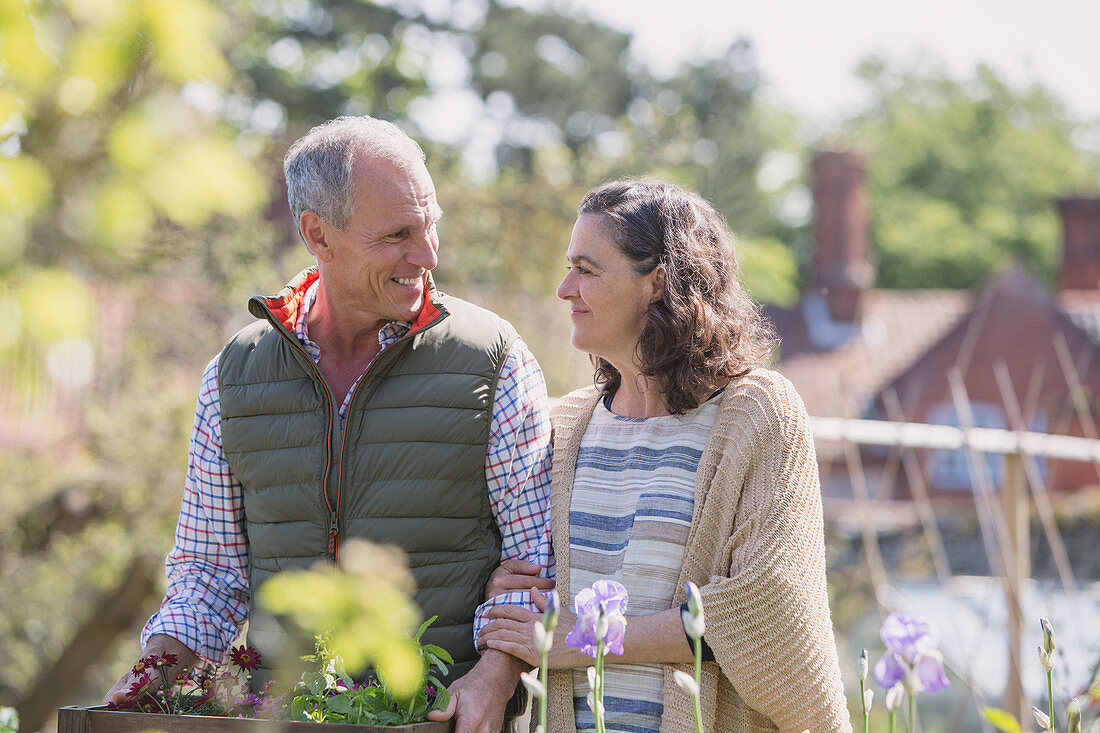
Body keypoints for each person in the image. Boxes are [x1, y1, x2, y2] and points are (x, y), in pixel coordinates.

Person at [104, 116, 553, 733]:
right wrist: (145, 688)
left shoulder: (492, 360)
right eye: (397, 234)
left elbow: (535, 558)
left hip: (439, 717)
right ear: (318, 235)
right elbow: (209, 576)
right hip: (280, 718)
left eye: (430, 227)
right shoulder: (234, 376)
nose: (425, 255)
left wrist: (494, 678)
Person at [477, 178, 852, 732]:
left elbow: (768, 612)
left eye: (587, 269)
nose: (564, 288)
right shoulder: (563, 425)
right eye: (569, 266)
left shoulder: (756, 415)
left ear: (656, 283)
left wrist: (587, 640)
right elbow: (528, 582)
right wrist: (502, 588)